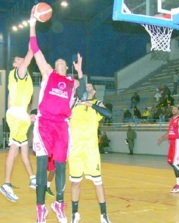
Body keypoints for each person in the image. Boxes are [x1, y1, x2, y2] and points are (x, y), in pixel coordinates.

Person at [29, 7, 86, 223]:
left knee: (62, 166)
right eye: (58, 61)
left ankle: (59, 203)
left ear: (67, 68)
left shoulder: (73, 82)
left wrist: (80, 71)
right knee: (42, 167)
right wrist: (33, 24)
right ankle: (40, 207)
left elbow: (83, 94)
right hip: (44, 125)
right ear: (54, 66)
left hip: (62, 126)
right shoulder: (47, 73)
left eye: (63, 62)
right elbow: (35, 48)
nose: (60, 61)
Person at [68, 83, 112, 223]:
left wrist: (90, 105)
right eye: (84, 86)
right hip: (75, 150)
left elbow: (109, 114)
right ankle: (75, 214)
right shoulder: (74, 103)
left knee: (98, 182)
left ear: (94, 91)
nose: (86, 87)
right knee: (75, 183)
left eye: (89, 86)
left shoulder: (97, 104)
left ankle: (104, 215)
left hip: (91, 150)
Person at [0, 48, 36, 202]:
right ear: (15, 64)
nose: (23, 60)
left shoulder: (25, 76)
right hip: (16, 114)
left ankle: (32, 178)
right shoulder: (19, 72)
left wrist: (27, 116)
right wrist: (33, 27)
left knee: (24, 149)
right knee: (14, 150)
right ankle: (6, 184)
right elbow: (30, 54)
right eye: (19, 59)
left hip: (20, 114)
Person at [157, 105, 179, 193]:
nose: (173, 110)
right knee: (170, 162)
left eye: (175, 109)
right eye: (172, 109)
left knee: (175, 163)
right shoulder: (171, 120)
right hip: (172, 143)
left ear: (178, 110)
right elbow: (169, 131)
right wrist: (162, 137)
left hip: (178, 142)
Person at [30, 109, 55, 197]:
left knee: (53, 169)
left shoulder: (51, 113)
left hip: (51, 148)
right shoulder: (36, 112)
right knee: (42, 169)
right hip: (41, 147)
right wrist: (34, 147)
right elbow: (34, 134)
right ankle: (40, 187)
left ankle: (47, 187)